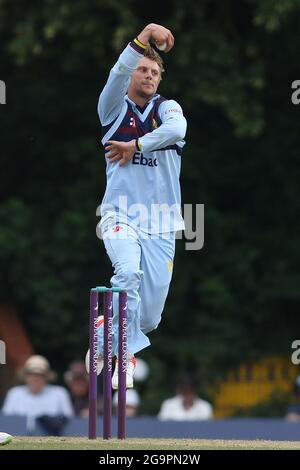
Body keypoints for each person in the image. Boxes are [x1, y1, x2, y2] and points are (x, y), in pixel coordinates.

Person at [86, 23, 187, 391]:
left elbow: (177, 132)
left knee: (149, 318)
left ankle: (105, 329)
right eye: (143, 69)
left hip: (162, 223)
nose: (149, 75)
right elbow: (117, 72)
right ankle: (124, 353)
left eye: (155, 72)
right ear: (133, 73)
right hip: (120, 215)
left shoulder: (169, 108)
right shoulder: (112, 109)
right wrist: (144, 34)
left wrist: (136, 147)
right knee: (127, 274)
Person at [2, 355, 74, 435]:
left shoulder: (60, 393)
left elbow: (69, 421)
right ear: (25, 376)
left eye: (40, 374)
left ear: (46, 377)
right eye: (31, 374)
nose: (35, 378)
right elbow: (6, 421)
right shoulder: (14, 393)